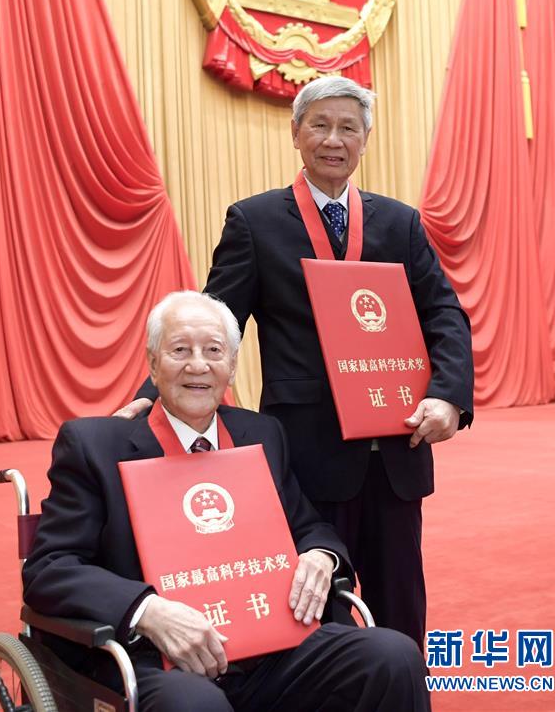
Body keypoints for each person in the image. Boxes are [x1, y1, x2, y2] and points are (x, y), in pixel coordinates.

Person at [122, 76, 474, 649]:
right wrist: (154, 393)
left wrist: (449, 396)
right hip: (307, 452)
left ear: (365, 140)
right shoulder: (255, 221)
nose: (334, 140)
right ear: (295, 133)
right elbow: (215, 318)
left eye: (348, 128)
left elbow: (444, 313)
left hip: (396, 446)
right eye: (321, 125)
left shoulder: (400, 223)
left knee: (402, 608)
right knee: (316, 610)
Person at [23, 291, 430, 712]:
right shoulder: (95, 446)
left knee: (395, 657)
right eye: (180, 350)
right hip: (159, 658)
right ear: (153, 364)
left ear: (232, 367)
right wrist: (147, 610)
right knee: (195, 705)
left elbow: (308, 526)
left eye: (214, 351)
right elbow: (49, 568)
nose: (198, 365)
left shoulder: (262, 435)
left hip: (272, 650)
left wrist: (320, 555)